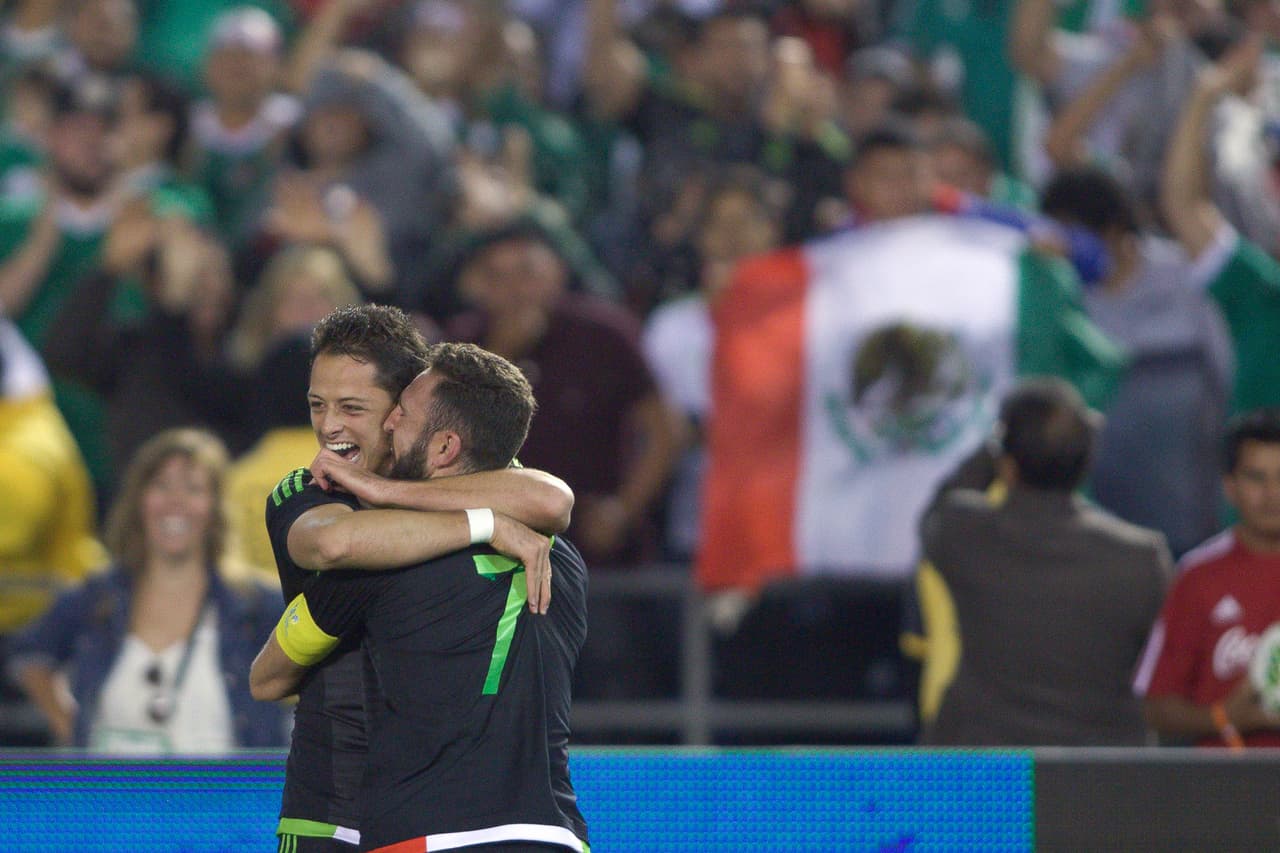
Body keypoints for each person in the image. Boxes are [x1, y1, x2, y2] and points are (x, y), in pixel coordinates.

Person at [253, 305, 574, 852]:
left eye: (352, 408)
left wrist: (392, 493)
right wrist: (484, 524)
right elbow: (335, 542)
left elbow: (552, 497)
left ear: (402, 408)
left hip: (428, 808)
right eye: (317, 405)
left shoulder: (464, 477)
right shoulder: (307, 489)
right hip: (329, 801)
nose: (329, 427)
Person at [920, 378, 1171, 745]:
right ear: (1087, 458)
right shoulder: (1142, 559)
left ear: (1008, 466)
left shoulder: (963, 533)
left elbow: (939, 510)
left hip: (981, 776)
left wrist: (998, 444)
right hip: (1102, 780)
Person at [7, 428, 289, 752]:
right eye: (161, 485)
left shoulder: (256, 605)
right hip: (109, 797)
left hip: (224, 798)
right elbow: (28, 652)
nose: (175, 502)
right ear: (139, 499)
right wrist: (69, 724)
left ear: (215, 507)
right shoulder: (99, 596)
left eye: (193, 489)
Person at [1134, 408, 1280, 748]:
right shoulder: (1198, 576)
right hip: (1220, 792)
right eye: (1257, 478)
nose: (1272, 493)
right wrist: (1225, 717)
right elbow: (1155, 707)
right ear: (1230, 486)